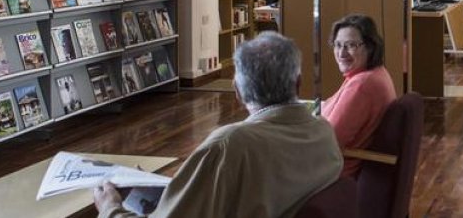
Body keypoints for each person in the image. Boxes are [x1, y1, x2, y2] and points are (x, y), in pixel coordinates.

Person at [93, 32, 343, 218]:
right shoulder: (322, 131)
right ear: (298, 83)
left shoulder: (231, 145)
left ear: (237, 91)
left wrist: (109, 209)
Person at [321, 14, 398, 178]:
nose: (341, 53)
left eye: (351, 45)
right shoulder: (373, 73)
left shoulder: (362, 85)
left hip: (333, 172)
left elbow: (329, 142)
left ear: (370, 47)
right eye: (338, 45)